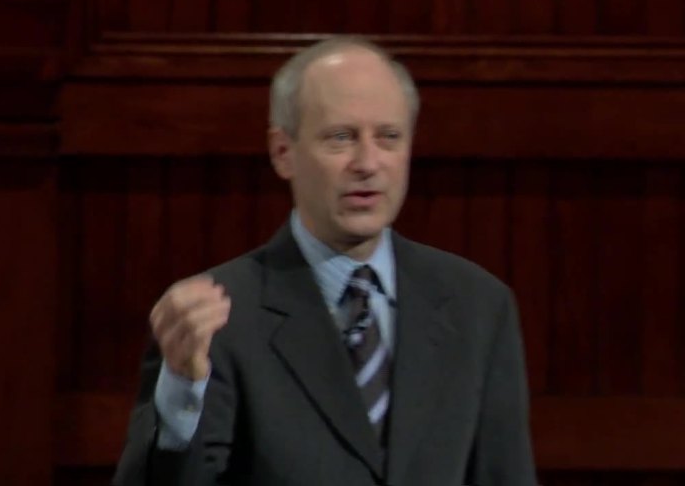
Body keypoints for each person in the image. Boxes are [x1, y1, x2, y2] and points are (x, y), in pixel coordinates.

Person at [113, 36, 537, 486]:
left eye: (389, 137)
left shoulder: (478, 306)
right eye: (341, 137)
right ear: (283, 152)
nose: (368, 163)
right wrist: (181, 389)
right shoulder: (217, 318)